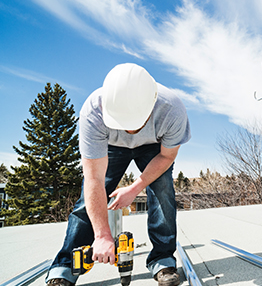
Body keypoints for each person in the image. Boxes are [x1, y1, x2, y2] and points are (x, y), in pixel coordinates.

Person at [45, 63, 191, 286]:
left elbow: (167, 157)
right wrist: (102, 235)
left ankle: (162, 260)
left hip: (154, 146)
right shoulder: (93, 110)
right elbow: (93, 178)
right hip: (111, 146)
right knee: (89, 199)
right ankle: (64, 266)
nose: (129, 132)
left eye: (135, 124)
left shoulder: (172, 109)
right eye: (123, 125)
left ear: (152, 105)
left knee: (163, 193)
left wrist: (134, 189)